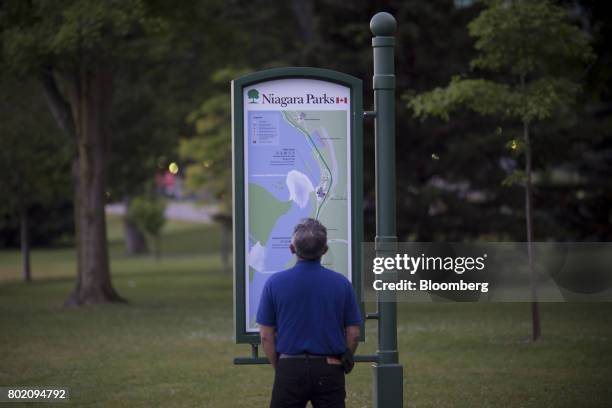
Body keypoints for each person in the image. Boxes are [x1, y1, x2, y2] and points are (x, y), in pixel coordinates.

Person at [256, 218, 362, 408]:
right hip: (330, 367)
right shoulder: (342, 284)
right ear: (325, 250)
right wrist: (345, 358)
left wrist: (281, 367)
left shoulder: (274, 283)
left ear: (292, 248)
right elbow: (353, 334)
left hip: (290, 367)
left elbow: (265, 336)